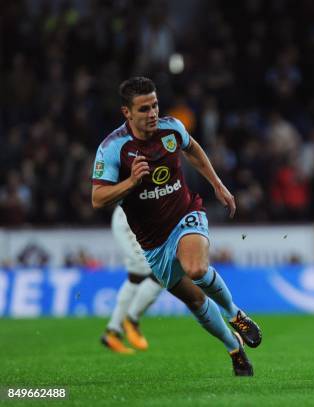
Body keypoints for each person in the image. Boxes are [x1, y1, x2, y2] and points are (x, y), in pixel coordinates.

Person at [91, 77, 261, 376]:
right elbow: (97, 198)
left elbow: (193, 148)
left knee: (195, 268)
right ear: (127, 113)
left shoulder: (171, 128)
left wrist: (218, 185)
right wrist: (130, 182)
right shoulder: (113, 147)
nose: (152, 113)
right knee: (195, 301)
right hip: (152, 241)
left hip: (186, 214)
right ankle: (234, 347)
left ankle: (236, 315)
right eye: (144, 109)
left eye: (155, 105)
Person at [101, 205, 163, 354]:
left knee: (136, 277)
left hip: (138, 216)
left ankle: (113, 332)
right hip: (130, 216)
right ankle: (131, 320)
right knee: (160, 272)